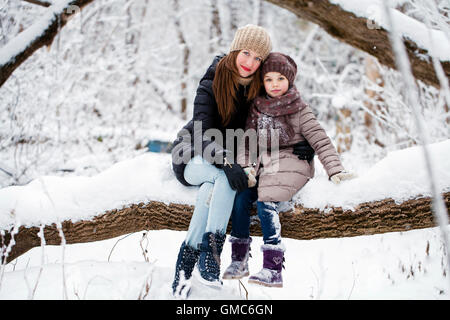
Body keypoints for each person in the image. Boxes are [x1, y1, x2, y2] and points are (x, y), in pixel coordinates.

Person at [222, 52, 355, 288]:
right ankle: (239, 259)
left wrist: (335, 170)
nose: (275, 85)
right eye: (269, 79)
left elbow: (321, 140)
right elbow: (247, 143)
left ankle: (273, 267)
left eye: (280, 79)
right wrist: (245, 168)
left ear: (290, 81)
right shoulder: (257, 108)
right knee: (242, 197)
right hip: (266, 163)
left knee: (266, 198)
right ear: (262, 82)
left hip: (294, 162)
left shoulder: (300, 110)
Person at [169, 24, 273, 296]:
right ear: (235, 49)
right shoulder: (212, 80)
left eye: (258, 58)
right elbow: (202, 134)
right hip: (191, 155)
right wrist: (227, 163)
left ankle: (183, 270)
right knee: (221, 176)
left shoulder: (257, 91)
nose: (250, 62)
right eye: (246, 53)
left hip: (222, 162)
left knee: (212, 187)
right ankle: (211, 256)